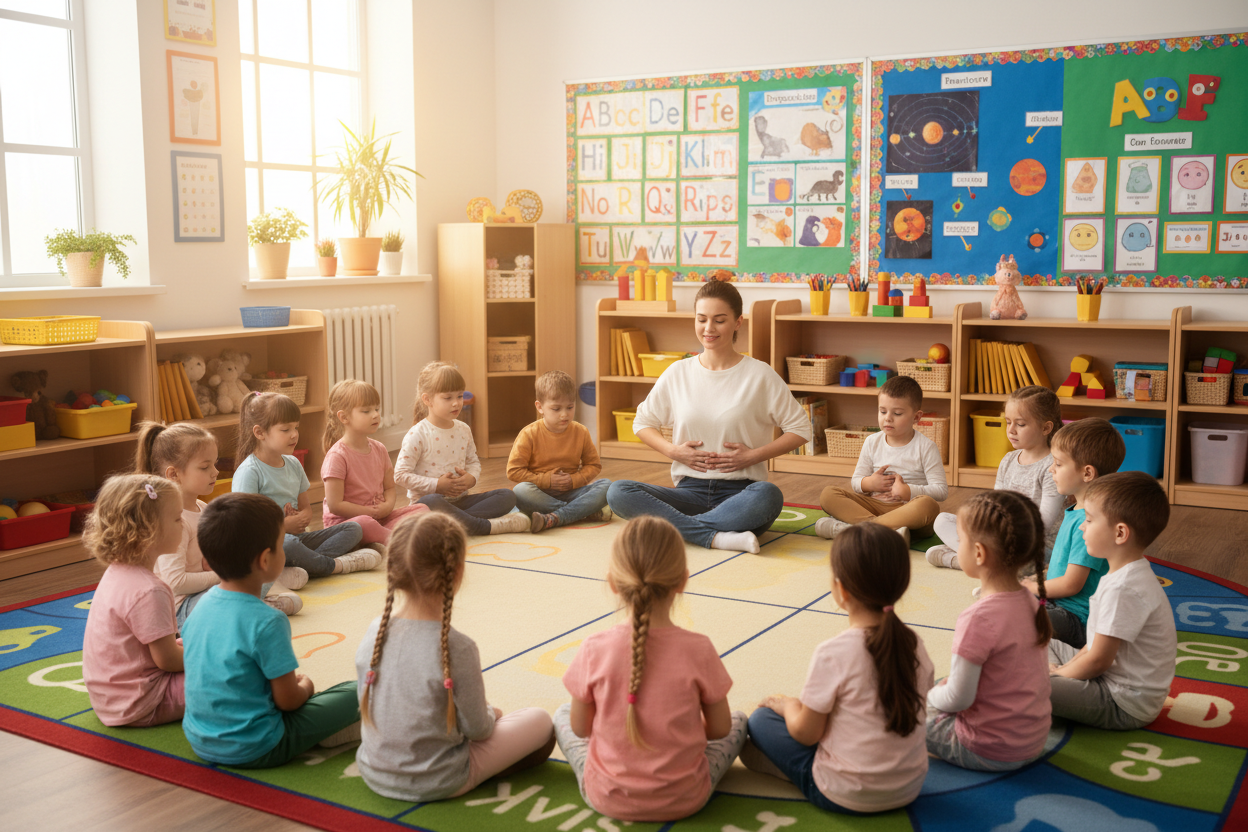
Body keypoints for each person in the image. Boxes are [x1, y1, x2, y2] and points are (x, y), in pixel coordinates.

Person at [553, 516, 747, 822]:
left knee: (562, 713)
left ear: (614, 584)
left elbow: (580, 729)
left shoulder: (594, 647)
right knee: (739, 721)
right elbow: (721, 729)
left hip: (606, 795)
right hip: (685, 796)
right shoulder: (699, 648)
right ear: (683, 580)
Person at [355, 513, 554, 801]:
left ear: (393, 569)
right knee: (541, 721)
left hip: (373, 771)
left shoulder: (375, 630)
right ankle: (477, 777)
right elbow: (479, 730)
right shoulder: (456, 646)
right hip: (441, 778)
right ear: (457, 572)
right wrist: (491, 712)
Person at [606, 278, 811, 554]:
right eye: (701, 319)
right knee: (618, 492)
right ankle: (715, 536)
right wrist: (674, 451)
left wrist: (753, 456)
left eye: (719, 320)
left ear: (738, 322)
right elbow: (642, 423)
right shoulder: (678, 373)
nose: (708, 329)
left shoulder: (760, 374)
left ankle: (679, 529)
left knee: (769, 496)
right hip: (689, 492)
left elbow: (800, 429)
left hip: (743, 495)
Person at [744, 523, 935, 814]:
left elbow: (806, 733)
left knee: (759, 720)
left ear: (841, 590)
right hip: (909, 786)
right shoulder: (915, 644)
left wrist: (787, 705)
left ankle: (793, 773)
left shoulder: (834, 653)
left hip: (846, 793)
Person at [182, 492, 361, 767]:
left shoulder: (199, 608)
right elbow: (288, 701)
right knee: (356, 690)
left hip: (200, 739)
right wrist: (306, 685)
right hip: (259, 744)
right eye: (282, 545)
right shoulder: (268, 620)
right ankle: (335, 733)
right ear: (266, 560)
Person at [926, 491, 1053, 771]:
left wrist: (927, 699)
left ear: (979, 553)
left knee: (906, 706)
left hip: (988, 748)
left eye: (960, 541)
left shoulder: (978, 617)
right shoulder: (1031, 602)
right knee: (942, 687)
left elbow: (959, 699)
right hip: (1033, 741)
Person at [139, 421, 305, 621]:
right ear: (174, 474)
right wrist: (224, 575)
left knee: (260, 566)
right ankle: (255, 608)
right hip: (184, 607)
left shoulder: (204, 508)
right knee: (241, 589)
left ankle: (252, 607)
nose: (215, 472)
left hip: (213, 591)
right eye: (205, 467)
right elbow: (175, 582)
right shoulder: (174, 521)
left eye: (214, 463)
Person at [1049, 472, 1175, 730]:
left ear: (1120, 533)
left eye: (1089, 519)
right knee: (1035, 642)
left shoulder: (1123, 588)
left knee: (1024, 685)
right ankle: (1052, 704)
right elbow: (1092, 646)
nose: (1082, 526)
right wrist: (1065, 670)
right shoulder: (1121, 572)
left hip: (1123, 701)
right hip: (1105, 679)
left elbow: (1097, 661)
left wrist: (1057, 675)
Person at [232, 391, 380, 576]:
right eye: (286, 430)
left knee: (354, 529)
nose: (294, 435)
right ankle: (334, 566)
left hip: (296, 539)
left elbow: (306, 508)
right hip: (266, 546)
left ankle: (301, 568)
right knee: (288, 544)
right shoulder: (249, 472)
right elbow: (245, 528)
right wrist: (283, 526)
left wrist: (303, 517)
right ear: (260, 432)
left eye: (296, 428)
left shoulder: (293, 463)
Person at [82, 474, 186, 727]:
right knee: (232, 671)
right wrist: (211, 656)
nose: (183, 524)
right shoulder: (150, 591)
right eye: (177, 518)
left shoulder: (117, 572)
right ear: (148, 530)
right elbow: (169, 661)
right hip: (143, 702)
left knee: (199, 637)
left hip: (111, 698)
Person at [928, 386, 1063, 569]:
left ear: (1046, 427)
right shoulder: (1008, 460)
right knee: (942, 520)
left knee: (1024, 560)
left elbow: (1043, 525)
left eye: (1021, 424)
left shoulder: (1054, 467)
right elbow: (994, 505)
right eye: (1008, 422)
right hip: (1001, 537)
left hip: (1034, 545)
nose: (1011, 430)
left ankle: (972, 561)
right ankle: (987, 561)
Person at [1020, 418, 1125, 647]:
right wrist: (1043, 577)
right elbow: (1065, 566)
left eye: (1058, 464)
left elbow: (1071, 585)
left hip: (1077, 619)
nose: (1051, 469)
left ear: (1087, 473)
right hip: (1057, 605)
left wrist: (1033, 588)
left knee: (1017, 619)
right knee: (1005, 600)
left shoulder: (1090, 523)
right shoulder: (1077, 510)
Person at [395, 361, 527, 535]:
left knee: (507, 496)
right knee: (431, 501)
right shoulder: (418, 434)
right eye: (448, 398)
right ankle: (483, 526)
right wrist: (436, 485)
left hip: (461, 502)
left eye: (459, 396)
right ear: (427, 399)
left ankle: (453, 523)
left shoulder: (463, 429)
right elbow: (400, 475)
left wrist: (471, 478)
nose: (457, 403)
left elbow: (473, 462)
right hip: (430, 504)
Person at [816, 375, 947, 547]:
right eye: (883, 411)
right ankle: (884, 532)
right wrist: (870, 483)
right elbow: (856, 482)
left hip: (907, 512)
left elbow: (941, 491)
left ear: (917, 417)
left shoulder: (926, 447)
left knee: (929, 505)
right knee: (828, 494)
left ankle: (850, 530)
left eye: (897, 413)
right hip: (873, 505)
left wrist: (907, 491)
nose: (888, 418)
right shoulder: (872, 442)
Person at [321, 379, 428, 547]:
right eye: (366, 411)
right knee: (365, 523)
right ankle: (397, 541)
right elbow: (335, 505)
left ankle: (385, 539)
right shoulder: (337, 456)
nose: (375, 415)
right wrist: (368, 512)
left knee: (422, 509)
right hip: (347, 525)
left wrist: (387, 506)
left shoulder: (380, 449)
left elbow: (390, 488)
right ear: (343, 417)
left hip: (379, 518)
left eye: (377, 409)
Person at [507, 370, 611, 533]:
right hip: (540, 493)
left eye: (570, 407)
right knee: (521, 491)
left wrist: (574, 480)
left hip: (573, 492)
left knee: (607, 485)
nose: (564, 414)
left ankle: (554, 517)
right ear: (539, 407)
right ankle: (580, 512)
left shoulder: (581, 431)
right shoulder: (529, 433)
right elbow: (513, 472)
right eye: (556, 409)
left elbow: (594, 465)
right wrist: (546, 480)